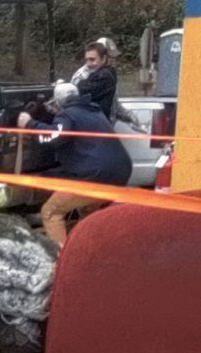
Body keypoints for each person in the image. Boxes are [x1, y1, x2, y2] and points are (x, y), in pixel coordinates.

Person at [16, 41, 132, 246]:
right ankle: (90, 252)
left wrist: (30, 123)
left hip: (95, 175)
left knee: (51, 212)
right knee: (87, 211)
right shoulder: (93, 110)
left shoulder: (68, 115)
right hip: (120, 171)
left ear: (59, 103)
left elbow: (55, 136)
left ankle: (63, 261)